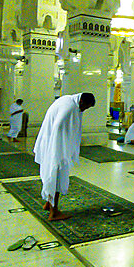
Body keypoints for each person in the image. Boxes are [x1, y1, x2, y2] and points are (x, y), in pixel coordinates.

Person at [33, 92, 95, 221]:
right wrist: (59, 151)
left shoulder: (67, 99)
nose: (84, 110)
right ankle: (53, 212)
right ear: (82, 101)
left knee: (51, 175)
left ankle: (48, 204)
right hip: (55, 148)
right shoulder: (71, 107)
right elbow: (58, 126)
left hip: (50, 143)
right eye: (86, 107)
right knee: (56, 177)